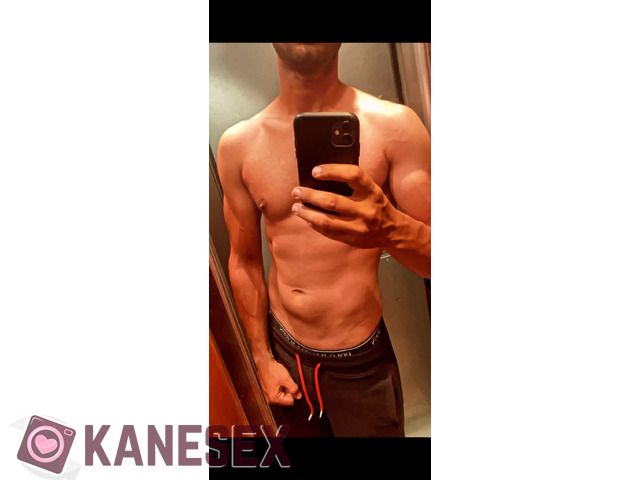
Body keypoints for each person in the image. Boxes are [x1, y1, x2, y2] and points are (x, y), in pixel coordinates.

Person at [217, 43, 430, 437]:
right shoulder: (238, 145)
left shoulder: (396, 128)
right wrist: (262, 359)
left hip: (361, 367)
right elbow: (244, 261)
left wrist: (390, 229)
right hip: (285, 357)